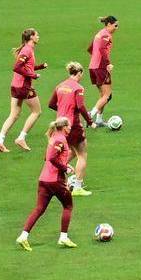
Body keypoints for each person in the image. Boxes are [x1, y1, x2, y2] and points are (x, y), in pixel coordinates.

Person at [16, 117, 78, 250]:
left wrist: (66, 165)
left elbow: (48, 157)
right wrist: (65, 168)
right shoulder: (61, 139)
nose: (70, 128)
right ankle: (63, 237)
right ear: (64, 127)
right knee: (68, 206)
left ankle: (23, 236)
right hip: (55, 181)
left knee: (39, 209)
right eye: (69, 126)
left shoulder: (53, 137)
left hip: (43, 179)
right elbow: (51, 158)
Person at [0, 28, 44, 152]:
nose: (38, 37)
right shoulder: (27, 50)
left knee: (14, 115)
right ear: (31, 37)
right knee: (37, 111)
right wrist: (33, 76)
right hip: (23, 86)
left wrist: (39, 67)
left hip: (15, 85)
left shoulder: (26, 49)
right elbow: (17, 67)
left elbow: (27, 67)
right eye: (37, 35)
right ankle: (21, 138)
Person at [48, 63, 90, 196]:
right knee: (82, 155)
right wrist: (90, 121)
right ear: (79, 73)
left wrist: (62, 111)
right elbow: (81, 106)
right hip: (73, 125)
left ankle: (53, 174)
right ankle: (77, 187)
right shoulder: (78, 88)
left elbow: (51, 104)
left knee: (70, 150)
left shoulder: (60, 86)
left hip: (60, 124)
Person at [86, 16, 117, 127]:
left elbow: (90, 48)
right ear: (109, 24)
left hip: (93, 67)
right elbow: (102, 49)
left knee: (103, 95)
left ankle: (99, 119)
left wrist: (95, 58)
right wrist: (107, 63)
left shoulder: (99, 33)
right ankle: (90, 116)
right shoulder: (106, 35)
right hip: (101, 67)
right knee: (107, 95)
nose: (116, 28)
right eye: (115, 25)